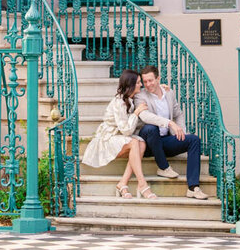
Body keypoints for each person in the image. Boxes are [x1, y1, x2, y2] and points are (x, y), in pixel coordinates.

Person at [80, 68, 157, 199]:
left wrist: (161, 88)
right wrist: (136, 113)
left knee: (142, 144)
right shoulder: (119, 102)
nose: (141, 85)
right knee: (134, 143)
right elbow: (126, 130)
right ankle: (142, 184)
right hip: (107, 139)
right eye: (138, 82)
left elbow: (148, 92)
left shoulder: (130, 99)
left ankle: (122, 183)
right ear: (131, 85)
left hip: (118, 136)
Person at [135, 65, 208, 200]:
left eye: (150, 80)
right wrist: (169, 123)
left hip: (164, 141)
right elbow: (145, 116)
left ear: (158, 79)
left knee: (194, 140)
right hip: (148, 144)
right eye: (145, 82)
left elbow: (178, 113)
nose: (148, 84)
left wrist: (181, 132)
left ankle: (193, 188)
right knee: (151, 128)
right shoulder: (140, 96)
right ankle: (163, 167)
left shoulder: (169, 93)